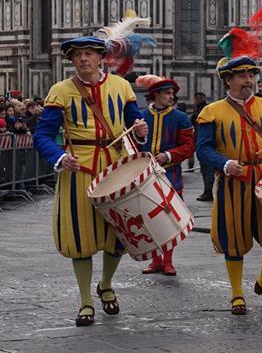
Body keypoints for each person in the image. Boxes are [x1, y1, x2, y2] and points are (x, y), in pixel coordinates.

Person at [32, 36, 149, 326]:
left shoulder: (121, 87)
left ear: (101, 58)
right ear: (71, 61)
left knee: (119, 232)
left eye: (88, 54)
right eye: (77, 56)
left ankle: (106, 284)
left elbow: (135, 122)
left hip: (116, 166)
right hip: (79, 169)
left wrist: (141, 129)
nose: (83, 59)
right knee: (79, 236)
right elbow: (42, 135)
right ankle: (85, 302)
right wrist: (59, 158)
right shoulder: (60, 91)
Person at [195, 28, 262, 315]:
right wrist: (224, 164)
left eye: (251, 75)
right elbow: (203, 149)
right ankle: (237, 293)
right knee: (233, 237)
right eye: (242, 76)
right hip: (233, 180)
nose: (249, 80)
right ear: (228, 80)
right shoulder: (211, 112)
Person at [135, 74, 196, 276]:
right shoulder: (141, 116)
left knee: (169, 218)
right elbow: (131, 143)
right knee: (148, 218)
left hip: (171, 174)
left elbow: (188, 146)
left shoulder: (180, 118)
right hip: (145, 176)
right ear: (156, 95)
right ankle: (155, 260)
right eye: (167, 93)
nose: (171, 97)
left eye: (172, 93)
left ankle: (168, 261)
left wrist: (168, 155)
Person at [191, 92, 214, 202]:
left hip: (204, 142)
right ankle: (208, 190)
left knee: (207, 168)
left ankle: (208, 191)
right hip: (202, 140)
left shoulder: (203, 110)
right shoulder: (201, 109)